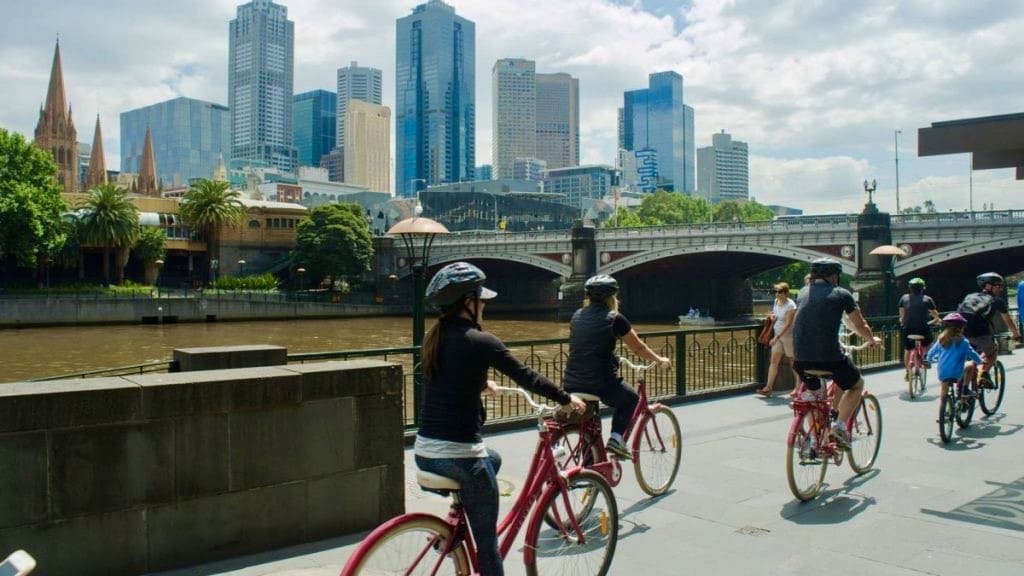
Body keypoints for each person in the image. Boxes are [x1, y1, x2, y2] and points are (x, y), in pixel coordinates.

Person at [414, 262, 586, 576]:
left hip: (425, 453)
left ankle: (456, 520)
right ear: (468, 302)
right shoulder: (482, 341)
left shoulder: (435, 339)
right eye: (481, 299)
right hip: (459, 456)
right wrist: (566, 399)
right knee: (489, 547)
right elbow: (527, 377)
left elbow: (449, 378)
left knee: (493, 459)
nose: (485, 305)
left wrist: (481, 382)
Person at [563, 275, 671, 460]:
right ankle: (616, 439)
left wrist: (611, 356)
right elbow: (638, 348)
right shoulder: (615, 318)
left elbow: (586, 344)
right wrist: (659, 359)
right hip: (600, 383)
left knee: (590, 424)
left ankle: (590, 470)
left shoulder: (577, 315)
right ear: (611, 297)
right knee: (631, 399)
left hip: (572, 382)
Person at [792, 258, 881, 448]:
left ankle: (817, 440)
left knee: (816, 395)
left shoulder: (802, 293)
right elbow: (860, 324)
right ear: (834, 276)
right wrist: (871, 340)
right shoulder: (842, 294)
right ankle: (839, 428)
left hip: (800, 361)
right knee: (857, 385)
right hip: (830, 359)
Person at [957, 272, 1022, 389]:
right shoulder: (997, 301)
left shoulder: (969, 297)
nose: (1001, 289)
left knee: (968, 355)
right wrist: (1016, 334)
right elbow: (1008, 320)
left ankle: (963, 389)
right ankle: (984, 374)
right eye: (998, 286)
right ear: (988, 286)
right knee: (992, 352)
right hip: (981, 334)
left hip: (962, 333)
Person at [926, 312, 981, 401]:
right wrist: (980, 361)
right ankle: (965, 388)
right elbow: (972, 354)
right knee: (970, 365)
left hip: (942, 372)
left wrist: (929, 360)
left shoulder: (941, 339)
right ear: (961, 327)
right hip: (957, 373)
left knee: (944, 391)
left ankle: (944, 409)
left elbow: (930, 353)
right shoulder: (963, 342)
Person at [757, 282, 798, 396]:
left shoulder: (791, 305)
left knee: (792, 361)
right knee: (774, 361)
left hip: (787, 336)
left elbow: (789, 323)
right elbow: (774, 314)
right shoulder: (776, 302)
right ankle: (768, 387)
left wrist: (776, 337)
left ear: (786, 293)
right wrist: (771, 316)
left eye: (779, 292)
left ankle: (798, 388)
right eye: (775, 292)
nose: (777, 294)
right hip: (777, 336)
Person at [898, 277, 941, 381]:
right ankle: (925, 358)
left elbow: (902, 316)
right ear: (922, 288)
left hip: (907, 329)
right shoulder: (927, 299)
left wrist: (903, 322)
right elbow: (936, 316)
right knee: (929, 342)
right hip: (922, 328)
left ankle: (908, 371)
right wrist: (936, 320)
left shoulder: (904, 298)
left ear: (910, 288)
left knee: (908, 350)